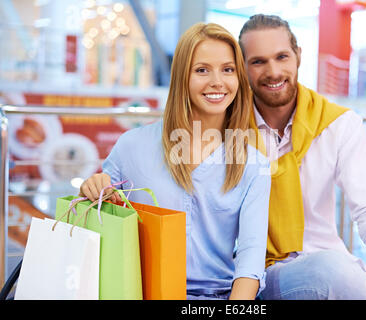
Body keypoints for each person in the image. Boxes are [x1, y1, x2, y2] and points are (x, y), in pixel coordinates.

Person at [79, 22, 271, 300]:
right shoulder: (132, 146)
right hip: (139, 292)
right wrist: (93, 187)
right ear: (182, 76)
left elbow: (251, 256)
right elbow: (96, 212)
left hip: (215, 296)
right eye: (202, 70)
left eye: (228, 69)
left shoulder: (254, 164)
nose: (218, 81)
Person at [238, 14, 366, 300]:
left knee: (337, 272)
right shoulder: (227, 126)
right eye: (258, 62)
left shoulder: (338, 124)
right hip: (253, 275)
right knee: (332, 271)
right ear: (243, 68)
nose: (273, 71)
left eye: (282, 57)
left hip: (325, 265)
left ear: (298, 56)